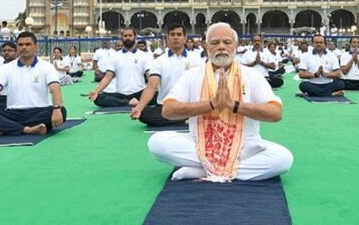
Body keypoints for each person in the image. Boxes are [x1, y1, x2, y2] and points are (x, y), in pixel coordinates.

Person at [147, 23, 293, 181]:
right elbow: (168, 110)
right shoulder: (192, 75)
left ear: (236, 46)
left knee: (283, 159)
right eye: (215, 43)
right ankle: (229, 165)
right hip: (199, 142)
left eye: (227, 42)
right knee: (157, 143)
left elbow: (276, 112)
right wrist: (211, 104)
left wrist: (234, 105)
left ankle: (204, 169)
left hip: (245, 143)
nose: (221, 47)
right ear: (206, 46)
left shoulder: (252, 75)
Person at [0, 32, 66, 136]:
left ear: (36, 47)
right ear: (17, 48)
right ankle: (26, 130)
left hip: (39, 111)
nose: (24, 47)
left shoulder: (46, 66)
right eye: (20, 45)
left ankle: (8, 127)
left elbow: (55, 89)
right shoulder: (7, 68)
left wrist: (57, 108)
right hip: (13, 112)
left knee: (62, 111)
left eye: (28, 44)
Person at [132, 24, 203, 127]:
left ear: (185, 38)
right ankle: (185, 120)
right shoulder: (159, 61)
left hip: (188, 105)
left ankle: (184, 118)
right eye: (172, 34)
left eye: (179, 34)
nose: (175, 37)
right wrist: (139, 107)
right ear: (167, 38)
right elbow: (151, 87)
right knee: (144, 114)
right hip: (165, 106)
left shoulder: (196, 60)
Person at [89, 28, 150, 107]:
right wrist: (96, 91)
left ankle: (130, 102)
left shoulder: (145, 56)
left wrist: (157, 89)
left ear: (135, 37)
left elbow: (150, 76)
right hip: (120, 93)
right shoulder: (114, 56)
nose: (128, 37)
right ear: (122, 38)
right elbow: (108, 77)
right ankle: (128, 102)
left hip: (140, 92)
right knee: (98, 98)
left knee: (155, 95)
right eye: (125, 36)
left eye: (130, 35)